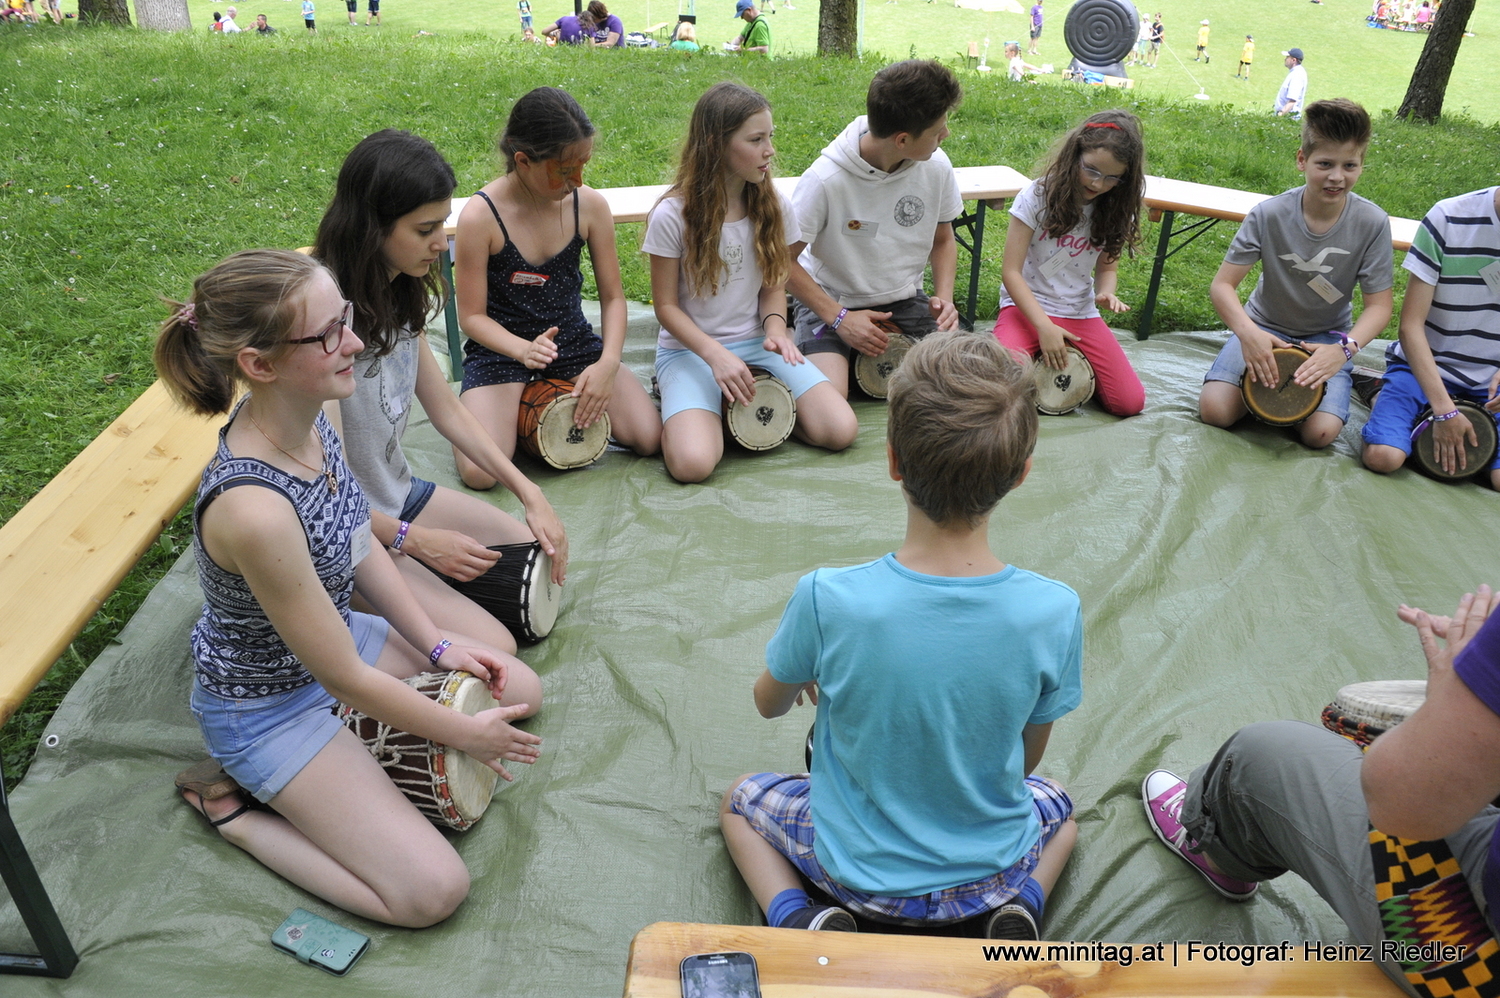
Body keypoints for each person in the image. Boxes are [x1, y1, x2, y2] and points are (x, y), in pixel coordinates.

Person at [158, 250, 544, 926]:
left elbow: (359, 544)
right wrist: (463, 733)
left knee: (522, 689)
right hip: (268, 708)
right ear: (259, 365)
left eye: (347, 319)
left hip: (334, 645)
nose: (357, 343)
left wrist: (439, 646)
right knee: (433, 893)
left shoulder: (313, 416)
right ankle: (233, 812)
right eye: (330, 333)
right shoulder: (254, 511)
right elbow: (344, 677)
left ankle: (349, 761)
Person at [720, 331, 1082, 939]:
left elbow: (768, 703)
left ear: (892, 460)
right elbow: (1026, 760)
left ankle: (799, 915)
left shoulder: (827, 597)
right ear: (1021, 474)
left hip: (856, 877)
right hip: (989, 876)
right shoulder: (1055, 609)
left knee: (739, 799)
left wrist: (806, 670)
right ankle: (1022, 908)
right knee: (1061, 809)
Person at [1144, 585, 1500, 997]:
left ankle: (1216, 852)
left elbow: (1400, 809)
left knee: (1261, 756)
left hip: (1471, 962)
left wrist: (1459, 689)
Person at [313, 129, 570, 654]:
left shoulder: (397, 287)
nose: (441, 244)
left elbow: (447, 409)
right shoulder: (323, 323)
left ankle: (422, 588)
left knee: (534, 555)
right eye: (425, 229)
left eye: (442, 224)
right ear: (371, 227)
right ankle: (362, 604)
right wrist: (417, 543)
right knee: (499, 647)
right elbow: (327, 493)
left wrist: (530, 493)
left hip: (398, 496)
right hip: (351, 533)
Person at [643, 83, 857, 484]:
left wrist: (776, 331)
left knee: (840, 429)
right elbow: (666, 308)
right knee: (693, 465)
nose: (769, 150)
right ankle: (690, 405)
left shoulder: (773, 205)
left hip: (756, 345)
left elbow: (773, 286)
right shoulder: (672, 215)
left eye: (769, 137)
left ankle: (737, 417)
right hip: (691, 351)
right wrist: (715, 356)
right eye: (756, 140)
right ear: (715, 144)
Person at [453, 89, 661, 477]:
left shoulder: (589, 206)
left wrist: (608, 364)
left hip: (572, 343)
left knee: (649, 437)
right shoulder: (481, 217)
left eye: (584, 165)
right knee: (480, 473)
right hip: (502, 350)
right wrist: (522, 350)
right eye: (565, 170)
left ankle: (539, 407)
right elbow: (472, 317)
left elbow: (613, 298)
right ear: (523, 161)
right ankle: (530, 411)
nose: (578, 180)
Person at [1199, 99, 1393, 450]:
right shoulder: (1269, 214)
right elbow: (1222, 286)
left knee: (1320, 435)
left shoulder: (1373, 222)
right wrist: (1248, 333)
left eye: (1349, 165)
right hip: (1263, 327)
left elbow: (1379, 306)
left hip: (1327, 339)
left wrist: (1343, 351)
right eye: (1325, 164)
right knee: (1215, 412)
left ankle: (1359, 382)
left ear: (1362, 166)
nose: (1337, 177)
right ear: (1302, 160)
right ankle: (1263, 393)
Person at [787, 59, 965, 400]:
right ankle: (798, 331)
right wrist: (839, 318)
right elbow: (781, 260)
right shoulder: (825, 180)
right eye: (937, 131)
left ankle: (859, 359)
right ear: (902, 140)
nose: (945, 135)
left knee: (960, 385)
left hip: (905, 302)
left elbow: (943, 240)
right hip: (830, 302)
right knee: (830, 404)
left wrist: (943, 299)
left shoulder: (936, 166)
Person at [991, 110, 1148, 418]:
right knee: (1000, 388)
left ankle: (1071, 361)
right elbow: (1010, 273)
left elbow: (1107, 268)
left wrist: (1106, 291)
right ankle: (1026, 348)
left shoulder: (1117, 207)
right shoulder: (1037, 196)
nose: (1098, 184)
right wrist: (1044, 327)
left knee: (1130, 403)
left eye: (1112, 177)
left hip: (1079, 312)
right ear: (1075, 155)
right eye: (1091, 170)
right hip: (1025, 309)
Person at [1361, 186, 1500, 488]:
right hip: (1424, 367)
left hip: (1492, 383)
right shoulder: (1448, 216)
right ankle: (1378, 392)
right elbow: (1410, 326)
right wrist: (1445, 411)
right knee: (1383, 457)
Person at [1275, 48, 1308, 116]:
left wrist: (1280, 114)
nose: (1285, 59)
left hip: (1288, 116)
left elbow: (1292, 100)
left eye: (1287, 57)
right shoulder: (1295, 72)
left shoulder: (1297, 75)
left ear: (1294, 60)